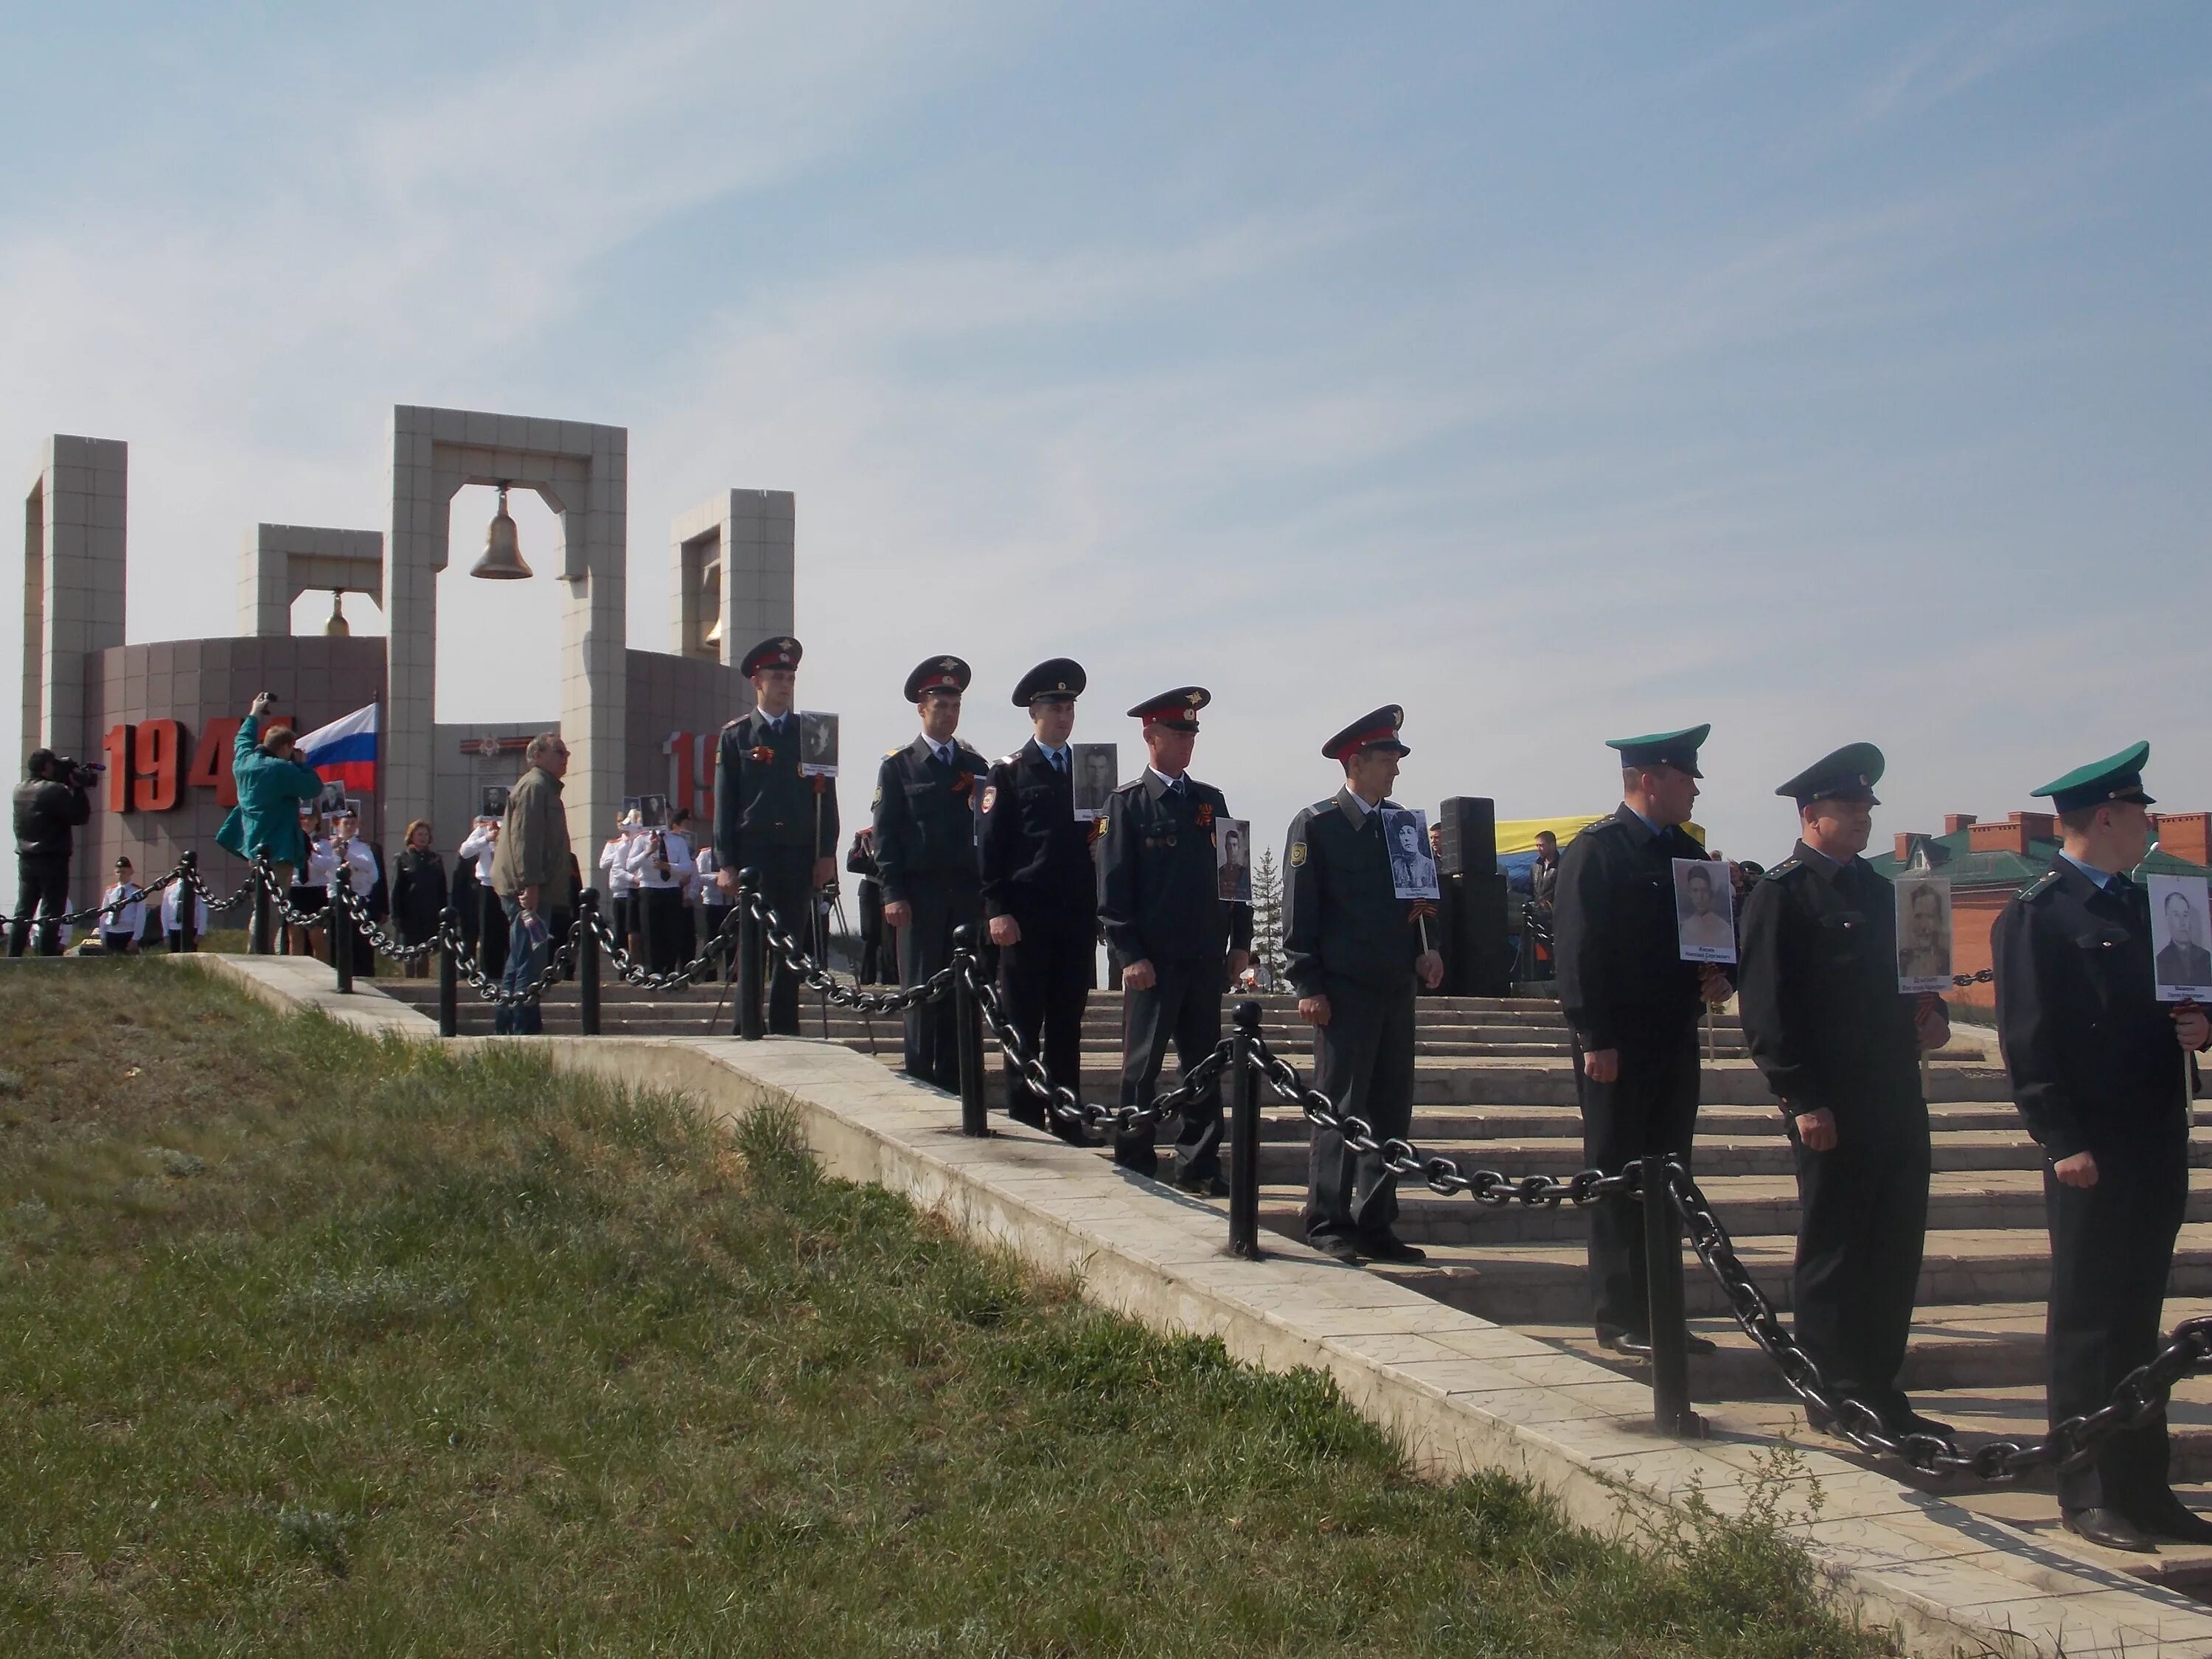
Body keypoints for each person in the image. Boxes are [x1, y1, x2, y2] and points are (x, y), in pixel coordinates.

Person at [1994, 742, 2212, 1551]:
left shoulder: (2144, 908)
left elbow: (2182, 1005)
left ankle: (2145, 1487)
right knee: (2089, 1322)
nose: (2152, 823)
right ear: (2110, 815)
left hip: (2156, 1137)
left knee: (2138, 1320)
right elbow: (2029, 1040)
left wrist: (2202, 1026)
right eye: (2143, 810)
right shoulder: (2038, 915)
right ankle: (2086, 1488)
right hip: (2090, 1150)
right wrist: (2060, 1141)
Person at [1737, 742, 1952, 1442]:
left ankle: (1880, 1385)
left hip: (1894, 1094)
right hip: (1831, 1102)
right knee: (1835, 1249)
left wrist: (1933, 1016)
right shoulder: (1782, 894)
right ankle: (1832, 1388)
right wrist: (1800, 1097)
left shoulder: (1883, 891)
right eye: (1848, 808)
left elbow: (1910, 985)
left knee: (1892, 1246)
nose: (1861, 820)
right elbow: (1768, 1008)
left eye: (1866, 808)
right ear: (1811, 814)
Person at [1554, 724, 1731, 1357]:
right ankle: (1619, 1312)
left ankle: (1662, 1314)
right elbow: (1578, 952)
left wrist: (1720, 975)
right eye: (1686, 780)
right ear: (1650, 779)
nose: (1694, 792)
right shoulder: (1597, 852)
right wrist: (1594, 1035)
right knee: (1617, 1175)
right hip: (1617, 1045)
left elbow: (1707, 941)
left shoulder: (1686, 855)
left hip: (1673, 1039)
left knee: (1669, 1176)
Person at [1282, 706, 1445, 1262]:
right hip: (1344, 990)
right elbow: (1300, 913)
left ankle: (1379, 1221)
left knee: (1391, 1110)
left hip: (1395, 986)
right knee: (1338, 1106)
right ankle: (1328, 1219)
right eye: (1386, 760)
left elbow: (1420, 906)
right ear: (1355, 762)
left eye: (1397, 759)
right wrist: (1308, 982)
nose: (1395, 770)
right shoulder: (1319, 824)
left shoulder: (1403, 825)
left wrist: (1429, 952)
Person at [1099, 686, 1253, 1190]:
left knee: (1204, 1066)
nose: (1188, 742)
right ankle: (1136, 1157)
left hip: (1205, 956)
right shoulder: (1126, 804)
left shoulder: (1211, 801)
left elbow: (1236, 877)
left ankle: (1201, 1164)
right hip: (1155, 962)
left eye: (1192, 733)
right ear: (1152, 736)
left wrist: (1240, 943)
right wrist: (1130, 954)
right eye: (1178, 732)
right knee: (1141, 1067)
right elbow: (1113, 891)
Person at [978, 658, 1098, 1141]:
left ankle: (1067, 1119)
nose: (1064, 716)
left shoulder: (1090, 770)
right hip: (1025, 916)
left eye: (1070, 707)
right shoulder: (1007, 773)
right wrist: (996, 908)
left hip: (1074, 915)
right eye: (1055, 706)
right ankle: (1027, 1120)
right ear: (1035, 713)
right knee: (1024, 1024)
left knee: (1068, 1024)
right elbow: (989, 846)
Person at [872, 657, 990, 1084]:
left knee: (962, 992)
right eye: (941, 705)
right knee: (920, 990)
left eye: (955, 705)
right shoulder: (899, 766)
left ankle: (958, 1079)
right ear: (921, 708)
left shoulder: (976, 767)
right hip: (919, 897)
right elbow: (886, 837)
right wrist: (893, 893)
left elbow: (986, 832)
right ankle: (921, 1075)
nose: (949, 713)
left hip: (964, 894)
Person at [714, 636, 839, 1035]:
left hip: (799, 850)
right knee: (751, 945)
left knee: (792, 946)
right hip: (755, 852)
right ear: (758, 682)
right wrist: (726, 862)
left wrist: (826, 853)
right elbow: (725, 802)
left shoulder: (813, 732)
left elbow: (827, 798)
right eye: (777, 676)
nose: (786, 684)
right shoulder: (736, 736)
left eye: (791, 677)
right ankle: (746, 1024)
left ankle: (786, 1027)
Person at [215, 694, 326, 953]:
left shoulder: (243, 762)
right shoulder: (280, 769)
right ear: (286, 748)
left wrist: (254, 712)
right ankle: (259, 956)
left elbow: (242, 739)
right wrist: (301, 765)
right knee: (272, 909)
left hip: (254, 847)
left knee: (263, 905)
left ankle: (266, 952)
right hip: (279, 848)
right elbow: (313, 787)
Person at [487, 733, 572, 1035]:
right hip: (528, 890)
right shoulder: (535, 787)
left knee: (522, 958)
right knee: (529, 963)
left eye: (566, 752)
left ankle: (509, 1025)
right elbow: (526, 840)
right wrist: (531, 884)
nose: (566, 757)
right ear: (537, 756)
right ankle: (522, 1029)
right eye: (559, 752)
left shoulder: (544, 789)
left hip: (534, 888)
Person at [10, 748, 94, 957]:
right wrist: (78, 788)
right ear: (47, 767)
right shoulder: (55, 790)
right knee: (51, 911)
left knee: (23, 911)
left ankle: (13, 956)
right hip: (52, 858)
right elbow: (79, 817)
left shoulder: (19, 790)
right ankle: (46, 957)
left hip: (26, 858)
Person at [626, 804, 695, 974]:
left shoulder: (677, 840)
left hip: (671, 889)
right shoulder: (641, 839)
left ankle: (669, 969)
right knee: (650, 933)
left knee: (672, 932)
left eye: (667, 815)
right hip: (649, 888)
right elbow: (629, 865)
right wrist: (648, 852)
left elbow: (687, 867)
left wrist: (668, 867)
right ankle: (652, 970)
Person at [316, 807, 380, 974]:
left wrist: (348, 856)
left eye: (353, 823)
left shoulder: (362, 847)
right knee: (336, 942)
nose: (350, 827)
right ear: (338, 825)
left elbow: (372, 872)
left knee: (359, 945)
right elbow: (325, 869)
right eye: (346, 823)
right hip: (336, 899)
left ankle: (362, 975)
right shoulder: (329, 846)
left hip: (357, 899)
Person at [391, 819, 448, 978]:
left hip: (430, 913)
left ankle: (423, 979)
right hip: (409, 914)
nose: (423, 837)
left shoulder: (435, 859)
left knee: (425, 950)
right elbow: (396, 889)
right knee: (410, 952)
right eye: (419, 834)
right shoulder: (402, 858)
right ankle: (409, 981)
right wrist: (396, 915)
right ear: (411, 836)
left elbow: (442, 889)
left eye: (426, 834)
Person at [459, 815, 507, 978]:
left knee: (507, 932)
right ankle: (489, 973)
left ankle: (507, 973)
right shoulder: (484, 829)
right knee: (489, 932)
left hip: (510, 886)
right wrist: (486, 839)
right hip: (488, 884)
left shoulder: (514, 827)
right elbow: (465, 852)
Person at [846, 828, 890, 985]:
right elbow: (852, 864)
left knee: (889, 939)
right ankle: (867, 980)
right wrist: (873, 863)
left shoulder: (896, 831)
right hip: (870, 888)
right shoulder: (865, 836)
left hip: (889, 889)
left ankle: (890, 980)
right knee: (870, 936)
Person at [2157, 888, 2212, 990]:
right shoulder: (2161, 960)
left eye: (2185, 915)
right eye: (2176, 915)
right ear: (2167, 919)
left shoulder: (2205, 956)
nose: (2182, 922)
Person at [1676, 863, 1734, 956]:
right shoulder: (1686, 928)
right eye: (1695, 890)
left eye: (1704, 890)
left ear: (1710, 893)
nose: (1700, 896)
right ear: (1689, 893)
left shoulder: (1725, 929)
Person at [1896, 882, 1952, 981]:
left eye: (1930, 916)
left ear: (1939, 920)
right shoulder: (1902, 961)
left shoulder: (1946, 961)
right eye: (1918, 916)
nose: (1923, 925)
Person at [97, 858, 145, 954]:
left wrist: (136, 938)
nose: (120, 875)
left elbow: (141, 917)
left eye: (123, 872)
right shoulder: (110, 890)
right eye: (118, 872)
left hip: (128, 932)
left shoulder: (137, 891)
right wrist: (102, 935)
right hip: (111, 932)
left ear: (131, 872)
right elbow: (104, 914)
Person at [161, 878, 209, 952]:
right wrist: (165, 933)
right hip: (174, 929)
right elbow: (165, 911)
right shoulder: (170, 888)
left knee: (190, 956)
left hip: (191, 929)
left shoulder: (198, 888)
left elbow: (203, 911)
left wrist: (200, 932)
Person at [1218, 824, 1248, 903]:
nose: (1231, 849)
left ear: (1238, 847)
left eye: (1234, 845)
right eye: (1229, 845)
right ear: (1225, 847)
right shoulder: (1219, 873)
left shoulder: (1245, 874)